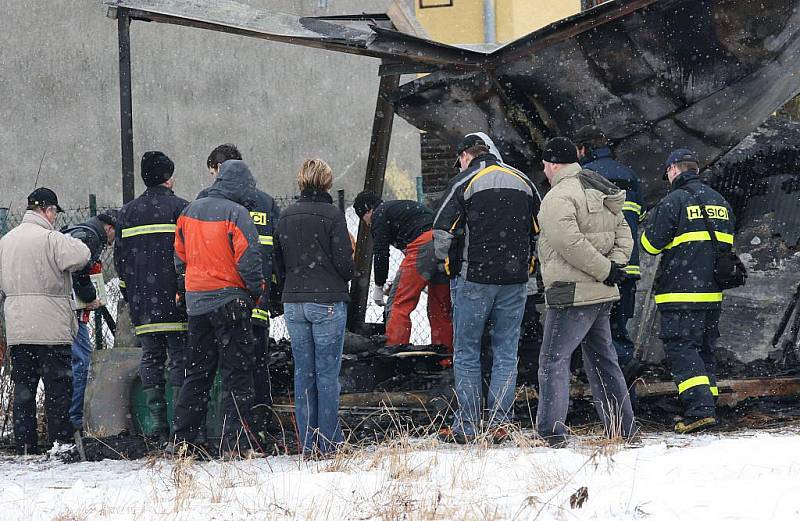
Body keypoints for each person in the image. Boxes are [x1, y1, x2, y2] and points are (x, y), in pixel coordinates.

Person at [433, 133, 539, 443]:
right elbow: (540, 228)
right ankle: (500, 423)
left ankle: (466, 426)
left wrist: (450, 265)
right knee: (506, 352)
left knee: (467, 353)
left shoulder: (465, 181)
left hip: (474, 280)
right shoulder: (522, 180)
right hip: (515, 282)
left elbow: (441, 232)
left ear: (465, 156)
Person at [534, 137, 636, 447]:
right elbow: (625, 234)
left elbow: (570, 245)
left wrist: (605, 271)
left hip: (570, 293)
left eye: (545, 165)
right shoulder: (598, 187)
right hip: (601, 293)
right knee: (604, 361)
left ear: (552, 164)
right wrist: (613, 268)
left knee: (552, 361)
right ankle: (622, 429)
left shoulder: (557, 197)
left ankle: (551, 434)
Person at [171, 160, 264, 456]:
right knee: (236, 374)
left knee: (197, 374)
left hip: (197, 305)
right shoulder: (237, 213)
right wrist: (255, 292)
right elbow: (249, 260)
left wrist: (190, 286)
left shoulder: (189, 211)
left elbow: (179, 258)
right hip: (231, 304)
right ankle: (233, 443)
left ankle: (183, 441)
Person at [640, 149, 735, 434]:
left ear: (673, 170)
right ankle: (709, 402)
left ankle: (699, 411)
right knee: (704, 349)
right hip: (712, 294)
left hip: (681, 293)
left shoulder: (674, 201)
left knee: (682, 348)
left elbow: (650, 245)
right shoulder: (720, 202)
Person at [0, 188, 91, 454]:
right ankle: (60, 442)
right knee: (58, 388)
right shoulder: (52, 239)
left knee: (24, 389)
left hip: (19, 327)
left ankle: (25, 444)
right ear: (48, 211)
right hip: (50, 328)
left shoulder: (6, 241)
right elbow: (82, 255)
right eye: (53, 212)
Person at [274, 159, 354, 455]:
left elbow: (277, 262)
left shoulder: (285, 216)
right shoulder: (332, 215)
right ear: (327, 183)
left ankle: (308, 443)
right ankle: (330, 443)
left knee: (303, 374)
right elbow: (345, 264)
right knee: (327, 374)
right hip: (327, 302)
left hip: (294, 303)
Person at [204, 144, 280, 439]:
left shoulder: (207, 203)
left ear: (218, 170)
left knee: (223, 369)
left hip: (220, 301)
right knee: (257, 367)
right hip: (256, 300)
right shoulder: (266, 202)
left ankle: (225, 430)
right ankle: (259, 425)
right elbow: (276, 250)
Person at [115, 151, 189, 444]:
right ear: (168, 177)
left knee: (151, 359)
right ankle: (182, 428)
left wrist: (131, 294)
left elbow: (121, 261)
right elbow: (187, 255)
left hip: (143, 303)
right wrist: (183, 291)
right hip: (176, 301)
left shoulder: (127, 213)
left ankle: (157, 427)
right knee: (180, 360)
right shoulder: (182, 209)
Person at [574, 125, 644, 384]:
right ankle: (625, 385)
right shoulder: (629, 174)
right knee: (618, 328)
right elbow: (640, 216)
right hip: (628, 266)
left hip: (599, 268)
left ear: (583, 149)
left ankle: (607, 386)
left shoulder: (584, 176)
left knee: (593, 331)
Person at [352, 191, 452, 351]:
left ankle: (393, 352)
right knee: (439, 305)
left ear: (368, 210)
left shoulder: (379, 214)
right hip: (444, 244)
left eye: (364, 219)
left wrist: (378, 286)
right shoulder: (398, 209)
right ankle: (444, 354)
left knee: (399, 302)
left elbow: (381, 252)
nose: (368, 224)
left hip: (423, 245)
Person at [62, 208, 118, 432]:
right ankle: (75, 418)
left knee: (69, 364)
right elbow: (78, 273)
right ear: (110, 228)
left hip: (62, 310)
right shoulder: (89, 238)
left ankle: (67, 417)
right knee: (82, 361)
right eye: (116, 234)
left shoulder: (76, 232)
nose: (114, 242)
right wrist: (90, 297)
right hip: (72, 312)